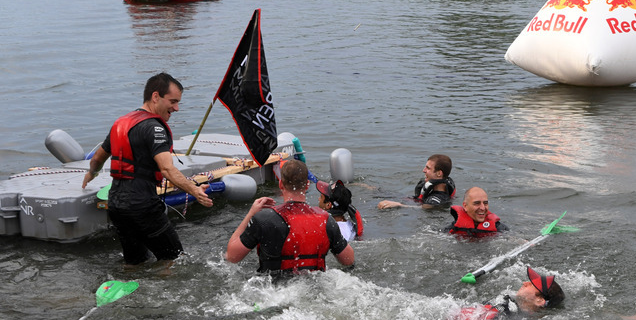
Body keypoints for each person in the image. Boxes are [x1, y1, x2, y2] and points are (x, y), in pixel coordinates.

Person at [82, 73, 212, 265]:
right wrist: (195, 190)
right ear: (155, 96)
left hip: (117, 204)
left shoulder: (121, 123)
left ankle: (129, 289)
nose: (176, 108)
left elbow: (98, 157)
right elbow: (167, 169)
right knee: (174, 259)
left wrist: (91, 174)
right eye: (173, 101)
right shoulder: (154, 128)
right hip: (141, 203)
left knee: (135, 260)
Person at [225, 159, 355, 276]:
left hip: (272, 294)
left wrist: (251, 214)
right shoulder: (326, 220)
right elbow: (348, 260)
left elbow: (231, 257)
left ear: (281, 184)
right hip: (314, 289)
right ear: (307, 185)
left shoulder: (264, 219)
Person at [456, 267, 565, 320]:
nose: (525, 282)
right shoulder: (509, 302)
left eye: (532, 284)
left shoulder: (512, 316)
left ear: (539, 300)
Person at [377, 154, 455, 210]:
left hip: (415, 204)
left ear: (439, 173)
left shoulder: (438, 199)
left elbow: (422, 208)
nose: (423, 170)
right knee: (380, 192)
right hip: (414, 200)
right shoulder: (439, 185)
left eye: (428, 168)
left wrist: (398, 205)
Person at [444, 187, 509, 236]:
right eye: (477, 203)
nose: (483, 208)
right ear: (465, 206)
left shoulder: (499, 228)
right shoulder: (453, 229)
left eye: (485, 203)